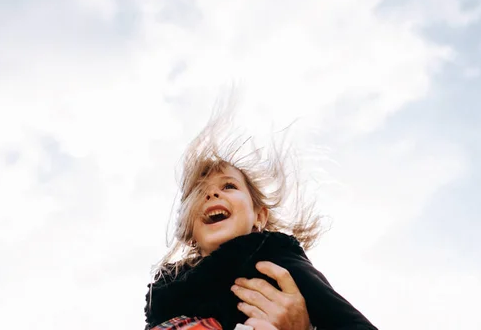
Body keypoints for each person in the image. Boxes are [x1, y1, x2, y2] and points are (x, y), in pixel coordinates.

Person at [144, 111, 377, 330]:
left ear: (259, 216)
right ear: (188, 231)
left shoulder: (274, 259)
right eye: (199, 191)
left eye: (229, 186)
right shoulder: (166, 298)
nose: (212, 194)